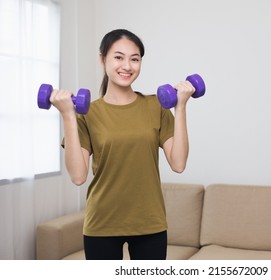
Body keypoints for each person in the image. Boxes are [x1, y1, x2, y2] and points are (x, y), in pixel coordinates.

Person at [50, 29, 195, 260]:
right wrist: (68, 115)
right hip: (102, 223)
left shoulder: (156, 106)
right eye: (118, 57)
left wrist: (181, 107)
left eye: (134, 59)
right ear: (102, 59)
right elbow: (78, 176)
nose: (127, 65)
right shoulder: (86, 113)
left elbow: (178, 164)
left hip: (150, 223)